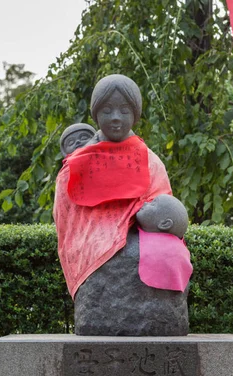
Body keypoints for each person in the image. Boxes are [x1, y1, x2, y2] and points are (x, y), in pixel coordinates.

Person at [54, 74, 171, 300]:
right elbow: (66, 219)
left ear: (135, 115)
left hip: (141, 236)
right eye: (107, 110)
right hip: (90, 241)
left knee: (169, 253)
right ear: (95, 114)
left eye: (124, 110)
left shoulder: (150, 160)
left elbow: (163, 203)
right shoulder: (76, 166)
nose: (116, 118)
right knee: (105, 255)